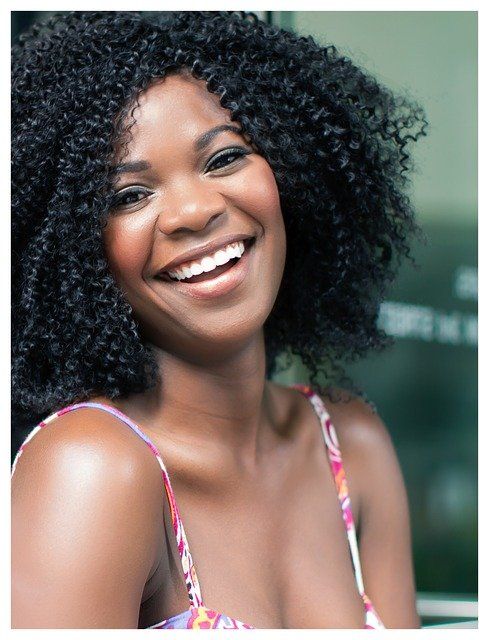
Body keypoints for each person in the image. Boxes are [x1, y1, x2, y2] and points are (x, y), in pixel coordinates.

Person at [11, 11, 426, 629]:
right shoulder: (92, 470)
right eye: (129, 195)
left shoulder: (353, 445)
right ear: (73, 248)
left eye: (225, 157)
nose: (194, 211)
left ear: (292, 170)